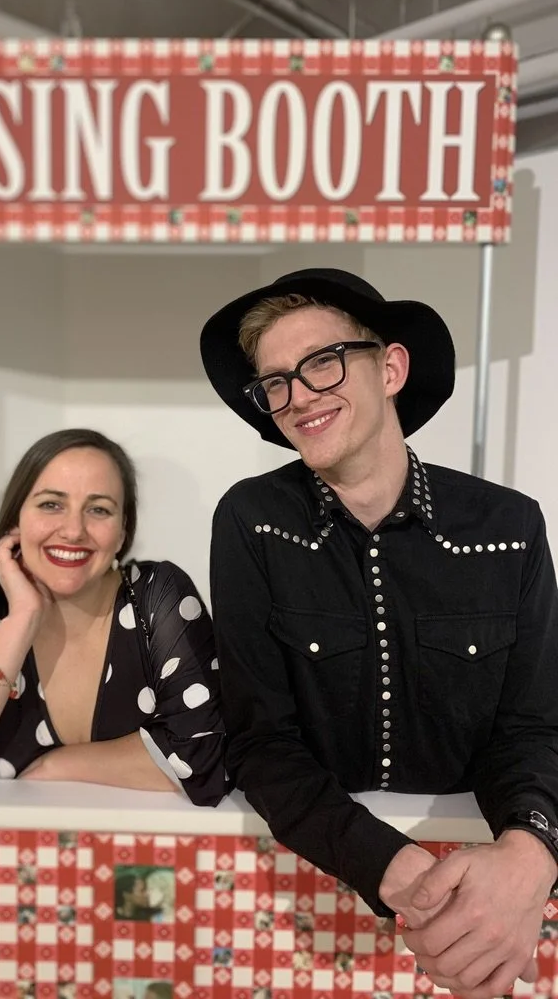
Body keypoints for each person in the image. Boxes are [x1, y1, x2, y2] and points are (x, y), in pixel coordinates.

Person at [200, 268, 558, 999]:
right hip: (315, 885)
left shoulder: (509, 527)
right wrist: (405, 876)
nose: (298, 396)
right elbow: (260, 742)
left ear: (391, 367)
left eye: (322, 362)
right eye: (275, 383)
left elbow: (533, 728)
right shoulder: (251, 522)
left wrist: (528, 855)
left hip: (491, 894)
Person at [0, 428, 226, 807]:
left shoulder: (157, 596)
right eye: (51, 505)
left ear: (123, 532)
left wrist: (58, 765)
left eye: (99, 509)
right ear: (16, 521)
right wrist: (21, 619)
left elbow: (205, 759)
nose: (73, 531)